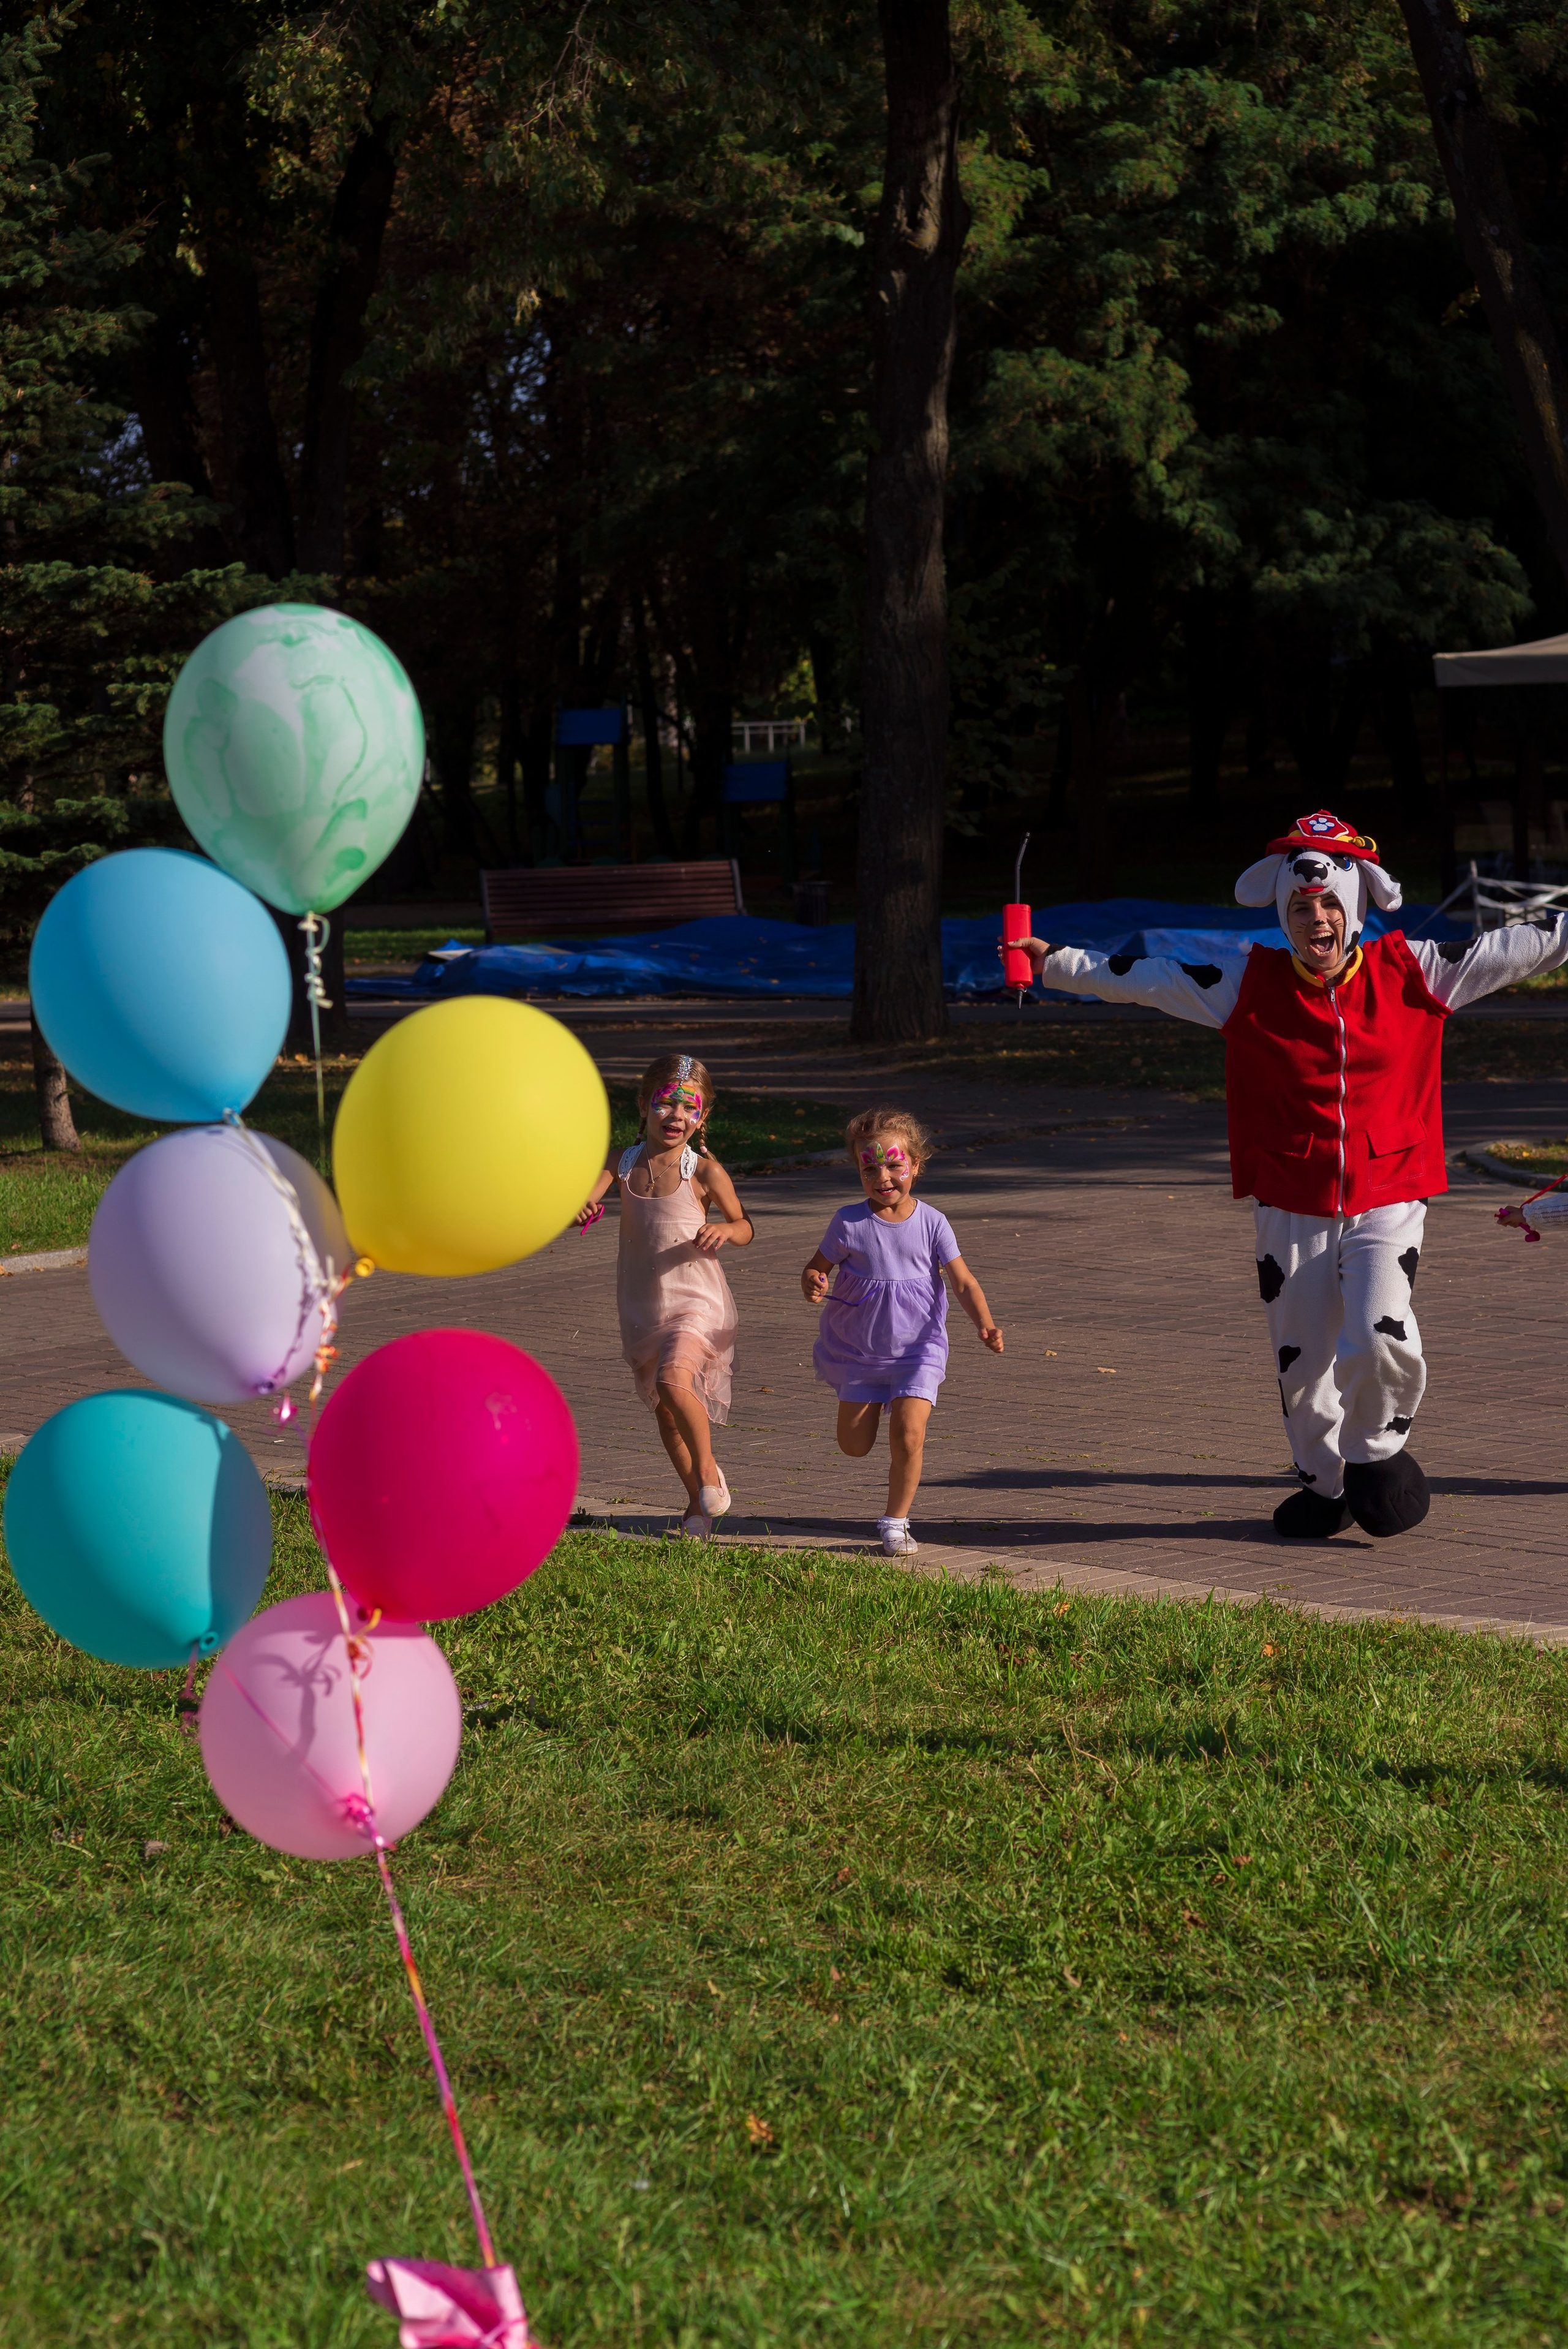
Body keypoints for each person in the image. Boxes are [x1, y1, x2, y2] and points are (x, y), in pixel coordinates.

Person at [1005, 808, 1568, 1540]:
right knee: (1300, 1360)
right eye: (1301, 908)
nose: (1316, 919)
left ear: (1356, 908)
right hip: (1289, 1198)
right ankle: (1324, 1484)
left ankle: (1375, 1452)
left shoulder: (1417, 969)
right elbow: (1145, 979)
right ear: (1284, 915)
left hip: (1389, 1194)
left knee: (1379, 1335)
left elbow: (1518, 945)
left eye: (1330, 903)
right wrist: (1052, 963)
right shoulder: (1244, 979)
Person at [801, 1107, 1003, 1557]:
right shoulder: (849, 1222)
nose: (883, 1176)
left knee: (910, 1434)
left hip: (919, 1348)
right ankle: (870, 1420)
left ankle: (896, 1520)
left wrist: (985, 1324)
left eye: (894, 1164)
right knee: (854, 1445)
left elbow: (963, 1281)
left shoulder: (932, 1222)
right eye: (869, 1167)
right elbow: (817, 1268)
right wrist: (814, 1282)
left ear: (915, 1164)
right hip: (861, 1349)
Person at [576, 1053, 752, 1539]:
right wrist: (582, 1207)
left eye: (689, 1107)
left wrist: (726, 1231)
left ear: (703, 1116)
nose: (676, 1116)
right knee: (666, 1414)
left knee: (677, 1381)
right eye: (665, 1104)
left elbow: (746, 1226)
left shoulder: (705, 1173)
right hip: (642, 1304)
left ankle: (711, 1471)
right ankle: (696, 1502)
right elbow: (584, 1199)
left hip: (697, 1301)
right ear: (643, 1105)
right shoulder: (621, 1162)